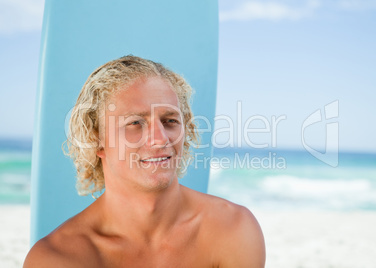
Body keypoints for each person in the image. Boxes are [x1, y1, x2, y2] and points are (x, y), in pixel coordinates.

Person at [24, 55, 266, 267]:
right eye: (135, 123)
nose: (160, 139)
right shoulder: (58, 259)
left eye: (170, 120)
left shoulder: (233, 230)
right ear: (95, 140)